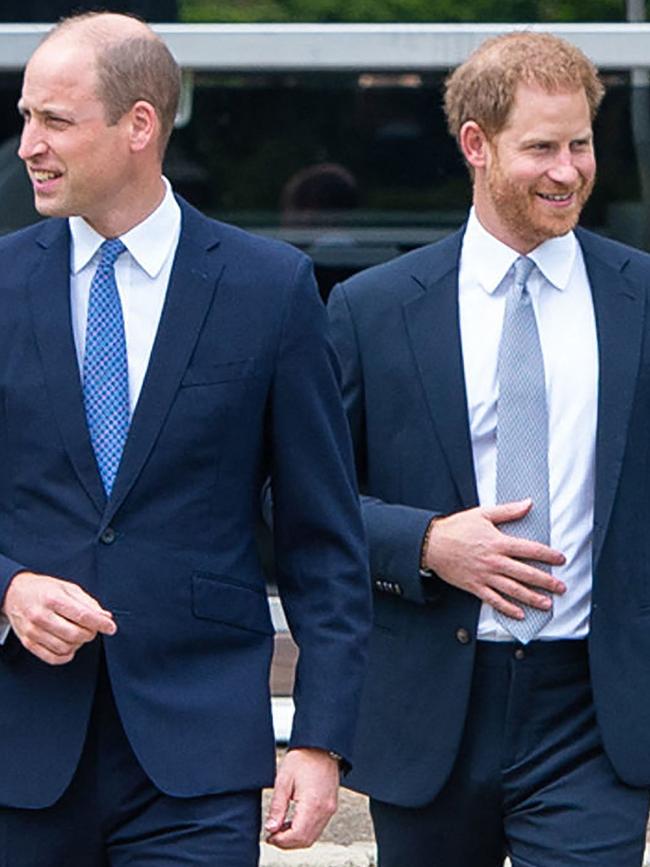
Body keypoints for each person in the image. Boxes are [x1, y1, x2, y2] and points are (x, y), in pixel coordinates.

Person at [0, 12, 370, 866]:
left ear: (139, 125)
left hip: (196, 760)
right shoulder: (5, 282)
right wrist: (10, 586)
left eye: (54, 120)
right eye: (26, 117)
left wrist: (321, 738)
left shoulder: (269, 289)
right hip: (19, 750)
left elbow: (324, 539)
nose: (28, 144)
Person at [328, 30, 650, 867]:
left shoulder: (641, 300)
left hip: (596, 711)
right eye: (540, 147)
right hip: (430, 707)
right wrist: (428, 543)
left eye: (580, 144)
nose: (568, 170)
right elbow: (295, 502)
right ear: (476, 144)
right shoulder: (374, 310)